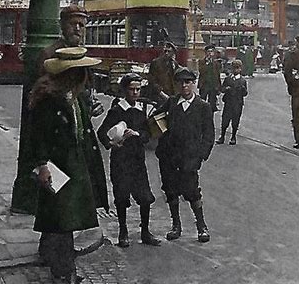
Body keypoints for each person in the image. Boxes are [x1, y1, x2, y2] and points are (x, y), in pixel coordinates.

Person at [30, 47, 109, 284]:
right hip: (58, 166)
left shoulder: (76, 96)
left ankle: (60, 265)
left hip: (77, 164)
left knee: (67, 220)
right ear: (72, 74)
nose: (87, 76)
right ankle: (66, 271)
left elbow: (82, 128)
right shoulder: (49, 99)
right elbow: (38, 136)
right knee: (64, 221)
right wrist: (42, 164)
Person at [97, 73, 161, 248]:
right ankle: (123, 231)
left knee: (145, 197)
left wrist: (138, 134)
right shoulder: (117, 110)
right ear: (124, 90)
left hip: (137, 160)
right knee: (122, 197)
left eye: (138, 89)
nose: (135, 93)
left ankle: (145, 231)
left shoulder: (141, 111)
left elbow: (148, 134)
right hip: (121, 161)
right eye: (131, 89)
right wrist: (111, 143)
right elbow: (102, 132)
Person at [155, 67, 215, 243]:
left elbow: (209, 134)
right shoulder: (172, 103)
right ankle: (176, 225)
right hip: (170, 158)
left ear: (194, 84)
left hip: (190, 158)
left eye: (188, 82)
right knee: (171, 191)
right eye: (181, 82)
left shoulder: (203, 106)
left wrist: (201, 156)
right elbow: (155, 120)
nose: (184, 86)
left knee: (192, 192)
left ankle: (201, 226)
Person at [38, 5, 104, 118]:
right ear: (62, 26)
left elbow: (86, 88)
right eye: (73, 24)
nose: (77, 28)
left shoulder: (83, 56)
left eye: (81, 25)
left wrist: (92, 103)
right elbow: (42, 94)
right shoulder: (50, 54)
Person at [216, 59, 248, 145]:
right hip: (228, 103)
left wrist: (243, 89)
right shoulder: (228, 79)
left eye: (237, 68)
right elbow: (222, 89)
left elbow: (245, 94)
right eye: (234, 68)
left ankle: (233, 137)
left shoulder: (243, 81)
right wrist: (226, 89)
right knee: (225, 120)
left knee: (235, 121)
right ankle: (222, 136)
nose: (235, 70)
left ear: (240, 69)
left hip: (237, 104)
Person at [198, 44, 222, 112]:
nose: (210, 53)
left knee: (212, 102)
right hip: (204, 85)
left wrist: (219, 87)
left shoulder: (216, 63)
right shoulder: (202, 62)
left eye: (211, 51)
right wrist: (207, 63)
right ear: (205, 53)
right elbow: (201, 71)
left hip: (213, 86)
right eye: (208, 51)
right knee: (202, 101)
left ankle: (210, 114)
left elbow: (217, 75)